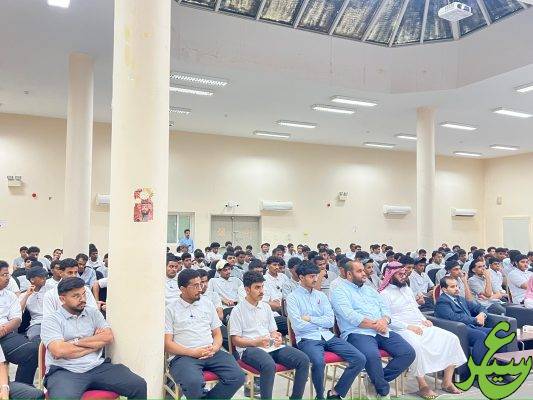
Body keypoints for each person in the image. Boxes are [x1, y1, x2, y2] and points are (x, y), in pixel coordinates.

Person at [41, 277, 147, 398]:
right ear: (62, 299)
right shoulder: (51, 320)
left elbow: (107, 337)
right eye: (76, 296)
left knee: (139, 385)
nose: (82, 299)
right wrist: (94, 345)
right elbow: (59, 351)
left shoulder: (93, 313)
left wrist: (74, 342)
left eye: (83, 294)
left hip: (97, 366)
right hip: (65, 371)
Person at [331, 260, 415, 399]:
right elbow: (350, 316)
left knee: (408, 353)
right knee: (372, 356)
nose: (364, 273)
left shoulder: (370, 290)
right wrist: (376, 324)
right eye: (359, 271)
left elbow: (385, 309)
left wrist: (384, 320)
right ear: (349, 274)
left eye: (363, 270)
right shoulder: (339, 291)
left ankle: (375, 380)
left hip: (381, 329)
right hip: (357, 332)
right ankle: (383, 391)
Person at [379, 263, 465, 398]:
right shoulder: (384, 294)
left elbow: (414, 309)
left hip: (419, 324)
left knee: (452, 338)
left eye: (404, 274)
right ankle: (423, 385)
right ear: (390, 275)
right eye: (400, 274)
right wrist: (408, 327)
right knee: (417, 346)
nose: (403, 276)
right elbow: (387, 319)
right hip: (400, 329)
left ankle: (447, 382)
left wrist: (424, 319)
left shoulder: (407, 289)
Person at [287, 262, 365, 400]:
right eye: (311, 276)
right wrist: (318, 321)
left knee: (359, 358)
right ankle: (320, 396)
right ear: (301, 277)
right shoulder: (292, 297)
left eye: (316, 276)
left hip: (328, 336)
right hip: (307, 339)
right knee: (318, 362)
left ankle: (335, 393)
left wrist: (309, 319)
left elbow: (329, 322)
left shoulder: (321, 295)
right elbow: (298, 326)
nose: (316, 279)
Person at [165, 269, 245, 399]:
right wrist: (192, 352)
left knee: (238, 376)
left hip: (211, 352)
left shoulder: (207, 304)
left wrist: (214, 348)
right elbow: (168, 344)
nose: (200, 289)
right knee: (193, 383)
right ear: (182, 289)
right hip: (184, 356)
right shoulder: (170, 309)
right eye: (195, 286)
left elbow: (217, 334)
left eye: (200, 284)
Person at [229, 271, 309, 399]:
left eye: (262, 287)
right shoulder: (237, 311)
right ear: (247, 290)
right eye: (257, 287)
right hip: (249, 349)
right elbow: (235, 341)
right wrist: (256, 342)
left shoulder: (266, 307)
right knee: (268, 365)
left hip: (270, 345)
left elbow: (273, 331)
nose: (262, 291)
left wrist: (277, 337)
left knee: (303, 360)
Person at [434, 276, 510, 365]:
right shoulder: (442, 302)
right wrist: (475, 320)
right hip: (457, 330)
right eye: (452, 287)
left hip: (471, 327)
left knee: (500, 333)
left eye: (457, 286)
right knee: (481, 336)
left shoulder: (460, 298)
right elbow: (454, 317)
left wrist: (482, 314)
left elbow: (479, 307)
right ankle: (477, 370)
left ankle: (503, 368)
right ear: (444, 289)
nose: (457, 289)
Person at [0, 261, 39, 385]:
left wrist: (4, 329)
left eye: (8, 274)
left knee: (33, 350)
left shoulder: (10, 296)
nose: (8, 278)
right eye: (4, 275)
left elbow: (17, 320)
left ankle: (22, 387)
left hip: (5, 335)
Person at [19, 266, 50, 340]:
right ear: (32, 280)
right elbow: (18, 312)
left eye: (45, 276)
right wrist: (27, 295)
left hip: (53, 320)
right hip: (37, 323)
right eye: (41, 277)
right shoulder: (24, 294)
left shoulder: (50, 289)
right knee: (33, 337)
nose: (44, 278)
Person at [262, 257, 288, 335]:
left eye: (278, 265)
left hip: (286, 306)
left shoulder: (283, 276)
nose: (277, 267)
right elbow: (266, 301)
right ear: (268, 266)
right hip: (274, 310)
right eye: (274, 265)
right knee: (289, 324)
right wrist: (274, 303)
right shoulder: (264, 279)